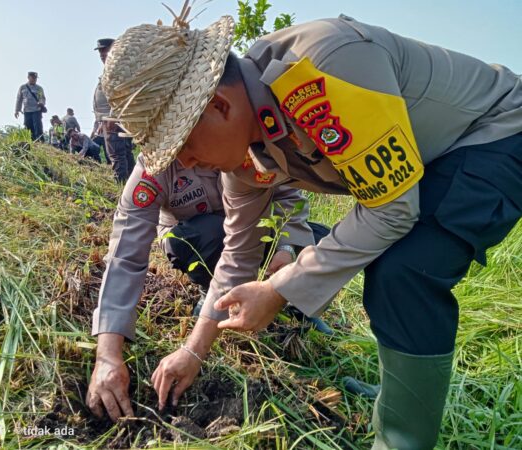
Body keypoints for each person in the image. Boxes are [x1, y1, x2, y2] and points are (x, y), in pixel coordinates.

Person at [101, 13, 522, 449]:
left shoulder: (321, 64)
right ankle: (400, 398)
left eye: (183, 146)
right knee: (382, 259)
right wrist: (193, 351)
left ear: (219, 107)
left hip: (495, 131)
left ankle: (401, 438)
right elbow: (237, 253)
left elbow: (393, 209)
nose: (183, 164)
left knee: (404, 272)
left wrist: (280, 288)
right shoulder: (247, 158)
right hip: (427, 161)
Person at [86, 152, 330, 420]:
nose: (190, 158)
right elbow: (125, 257)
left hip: (254, 226)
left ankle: (291, 304)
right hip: (205, 236)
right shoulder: (153, 167)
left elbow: (288, 198)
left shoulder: (250, 147)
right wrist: (108, 355)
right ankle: (213, 293)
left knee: (318, 240)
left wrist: (286, 247)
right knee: (203, 235)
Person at [93, 38, 135, 183]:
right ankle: (131, 186)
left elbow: (120, 96)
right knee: (124, 154)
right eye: (100, 51)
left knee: (117, 155)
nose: (102, 54)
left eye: (105, 50)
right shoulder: (111, 70)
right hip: (110, 120)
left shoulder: (117, 70)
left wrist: (111, 118)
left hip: (114, 120)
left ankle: (123, 187)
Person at [15, 71, 46, 141]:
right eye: (33, 78)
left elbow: (42, 98)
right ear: (28, 77)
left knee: (37, 126)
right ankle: (31, 140)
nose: (34, 79)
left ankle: (40, 141)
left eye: (35, 78)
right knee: (28, 126)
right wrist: (17, 110)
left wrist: (41, 103)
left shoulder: (39, 88)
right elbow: (19, 99)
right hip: (27, 110)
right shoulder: (22, 87)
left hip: (36, 110)